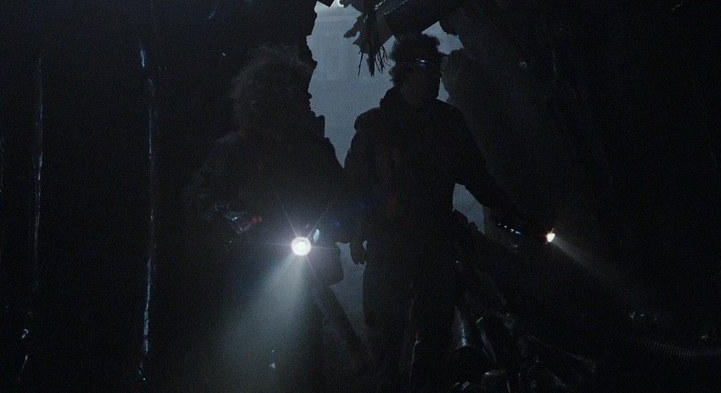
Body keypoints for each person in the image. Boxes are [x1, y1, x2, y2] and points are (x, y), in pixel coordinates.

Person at [343, 34, 520, 393]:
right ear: (405, 71)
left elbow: (476, 176)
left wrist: (513, 213)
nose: (436, 75)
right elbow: (355, 188)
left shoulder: (448, 123)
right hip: (389, 242)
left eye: (437, 67)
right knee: (386, 336)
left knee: (436, 334)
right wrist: (358, 231)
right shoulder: (375, 126)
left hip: (435, 241)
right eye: (428, 67)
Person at [183, 44, 344, 393]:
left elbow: (340, 195)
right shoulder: (234, 149)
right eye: (297, 95)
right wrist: (232, 216)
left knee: (307, 356)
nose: (306, 102)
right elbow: (200, 193)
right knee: (246, 358)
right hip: (249, 265)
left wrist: (332, 227)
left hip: (304, 264)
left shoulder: (313, 149)